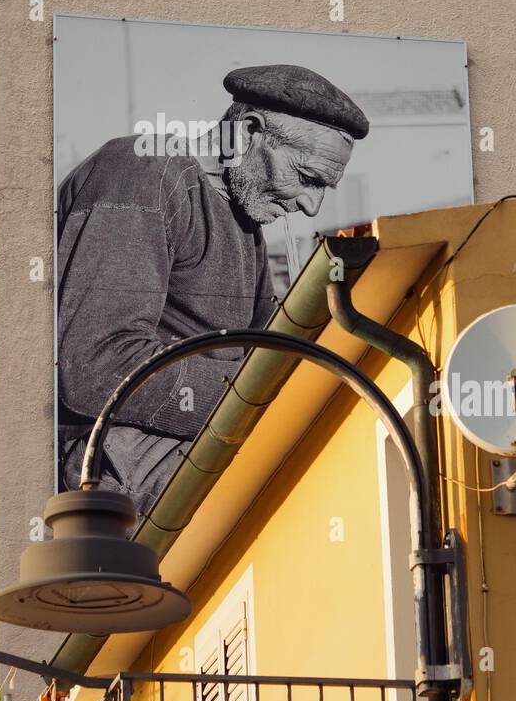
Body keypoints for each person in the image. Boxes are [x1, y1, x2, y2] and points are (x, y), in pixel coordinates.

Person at [56, 63, 369, 512]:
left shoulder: (245, 223)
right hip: (112, 460)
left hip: (179, 447)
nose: (310, 204)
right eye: (306, 177)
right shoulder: (143, 172)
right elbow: (95, 366)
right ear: (247, 131)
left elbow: (268, 359)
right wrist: (256, 399)